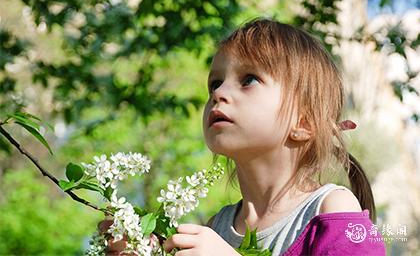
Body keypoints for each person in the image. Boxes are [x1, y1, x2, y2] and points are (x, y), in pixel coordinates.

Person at [104, 18, 386, 255]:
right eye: (215, 83)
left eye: (249, 79)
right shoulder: (217, 227)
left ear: (304, 122)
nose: (218, 93)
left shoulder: (331, 209)